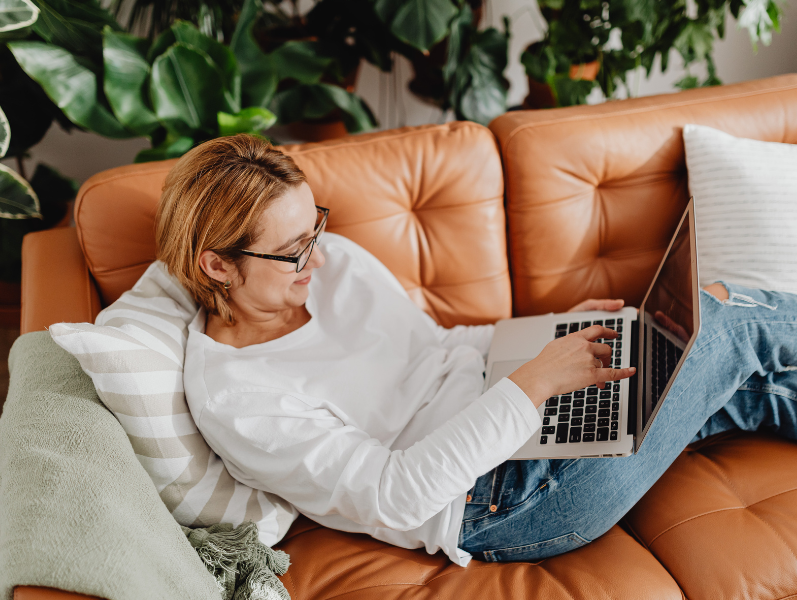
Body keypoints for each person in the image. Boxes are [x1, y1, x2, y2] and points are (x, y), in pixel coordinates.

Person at [158, 135, 797, 566]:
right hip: (497, 500)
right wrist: (535, 383)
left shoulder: (330, 265)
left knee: (746, 386)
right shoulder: (237, 398)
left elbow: (434, 346)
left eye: (314, 226)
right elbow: (399, 494)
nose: (318, 257)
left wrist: (545, 332)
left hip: (505, 396)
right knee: (726, 321)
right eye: (293, 249)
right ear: (216, 265)